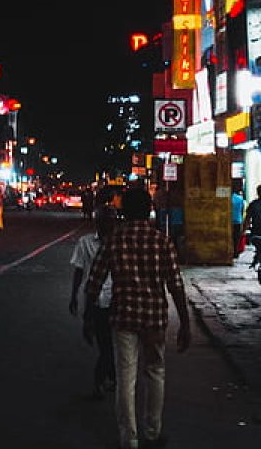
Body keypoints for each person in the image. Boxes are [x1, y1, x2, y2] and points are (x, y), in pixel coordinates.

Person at [84, 186, 191, 449]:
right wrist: (185, 323)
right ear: (149, 211)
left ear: (123, 212)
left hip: (123, 318)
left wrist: (88, 317)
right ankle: (153, 432)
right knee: (155, 372)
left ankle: (128, 438)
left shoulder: (114, 241)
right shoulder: (162, 241)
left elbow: (94, 283)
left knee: (125, 377)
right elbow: (176, 286)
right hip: (154, 317)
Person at [70, 207, 116, 398]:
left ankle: (107, 377)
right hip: (95, 300)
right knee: (105, 344)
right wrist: (73, 296)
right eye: (103, 221)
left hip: (118, 300)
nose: (107, 225)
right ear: (97, 223)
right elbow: (79, 270)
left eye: (111, 221)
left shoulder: (120, 243)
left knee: (116, 344)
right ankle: (105, 377)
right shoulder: (86, 243)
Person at [230, 180, 246, 258]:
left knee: (229, 237)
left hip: (229, 221)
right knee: (236, 238)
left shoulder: (228, 199)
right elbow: (242, 210)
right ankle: (236, 252)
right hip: (238, 220)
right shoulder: (240, 199)